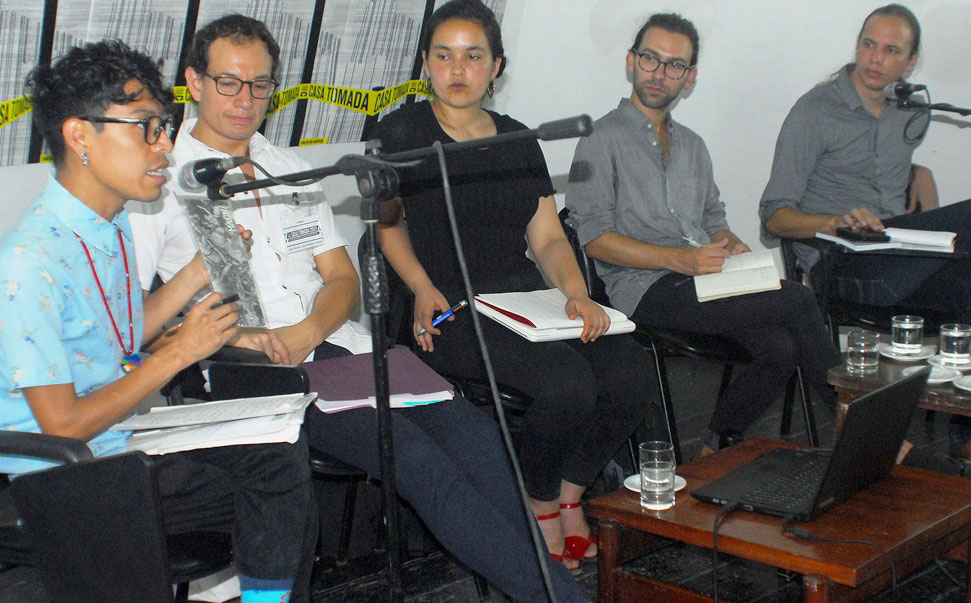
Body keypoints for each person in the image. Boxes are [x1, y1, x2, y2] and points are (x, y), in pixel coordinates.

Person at [128, 14, 590, 602]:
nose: (245, 100)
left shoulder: (289, 169)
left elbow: (342, 278)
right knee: (421, 464)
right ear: (194, 82)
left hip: (337, 345)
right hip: (248, 367)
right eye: (228, 83)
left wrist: (309, 330)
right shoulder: (160, 182)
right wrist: (242, 334)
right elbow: (136, 324)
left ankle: (550, 590)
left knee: (481, 442)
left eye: (261, 85)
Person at [0, 40, 315, 603]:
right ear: (80, 136)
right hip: (58, 475)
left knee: (279, 456)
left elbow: (117, 335)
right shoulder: (29, 262)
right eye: (146, 127)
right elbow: (62, 427)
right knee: (278, 480)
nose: (164, 145)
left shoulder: (109, 222)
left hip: (116, 442)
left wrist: (195, 276)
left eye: (163, 127)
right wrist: (179, 352)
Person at [373, 0, 661, 570]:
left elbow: (548, 237)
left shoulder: (516, 137)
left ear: (496, 67)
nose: (458, 70)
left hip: (524, 297)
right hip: (446, 304)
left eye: (473, 56)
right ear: (426, 64)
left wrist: (577, 293)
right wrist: (421, 287)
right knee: (567, 384)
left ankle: (570, 491)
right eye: (444, 56)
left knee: (630, 372)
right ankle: (538, 503)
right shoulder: (401, 132)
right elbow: (386, 226)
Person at [564, 13, 843, 457]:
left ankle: (714, 447)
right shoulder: (600, 139)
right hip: (644, 289)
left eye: (675, 65)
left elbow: (713, 218)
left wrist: (731, 243)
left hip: (702, 278)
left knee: (780, 347)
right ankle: (855, 421)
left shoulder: (693, 145)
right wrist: (680, 260)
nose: (660, 73)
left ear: (689, 78)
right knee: (798, 299)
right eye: (651, 59)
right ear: (631, 61)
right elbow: (595, 239)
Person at [759, 4, 971, 461]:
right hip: (842, 263)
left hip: (897, 256)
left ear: (911, 62)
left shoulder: (911, 112)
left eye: (891, 50)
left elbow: (879, 166)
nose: (876, 58)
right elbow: (773, 216)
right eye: (868, 45)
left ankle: (964, 442)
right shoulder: (815, 111)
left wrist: (920, 174)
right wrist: (832, 221)